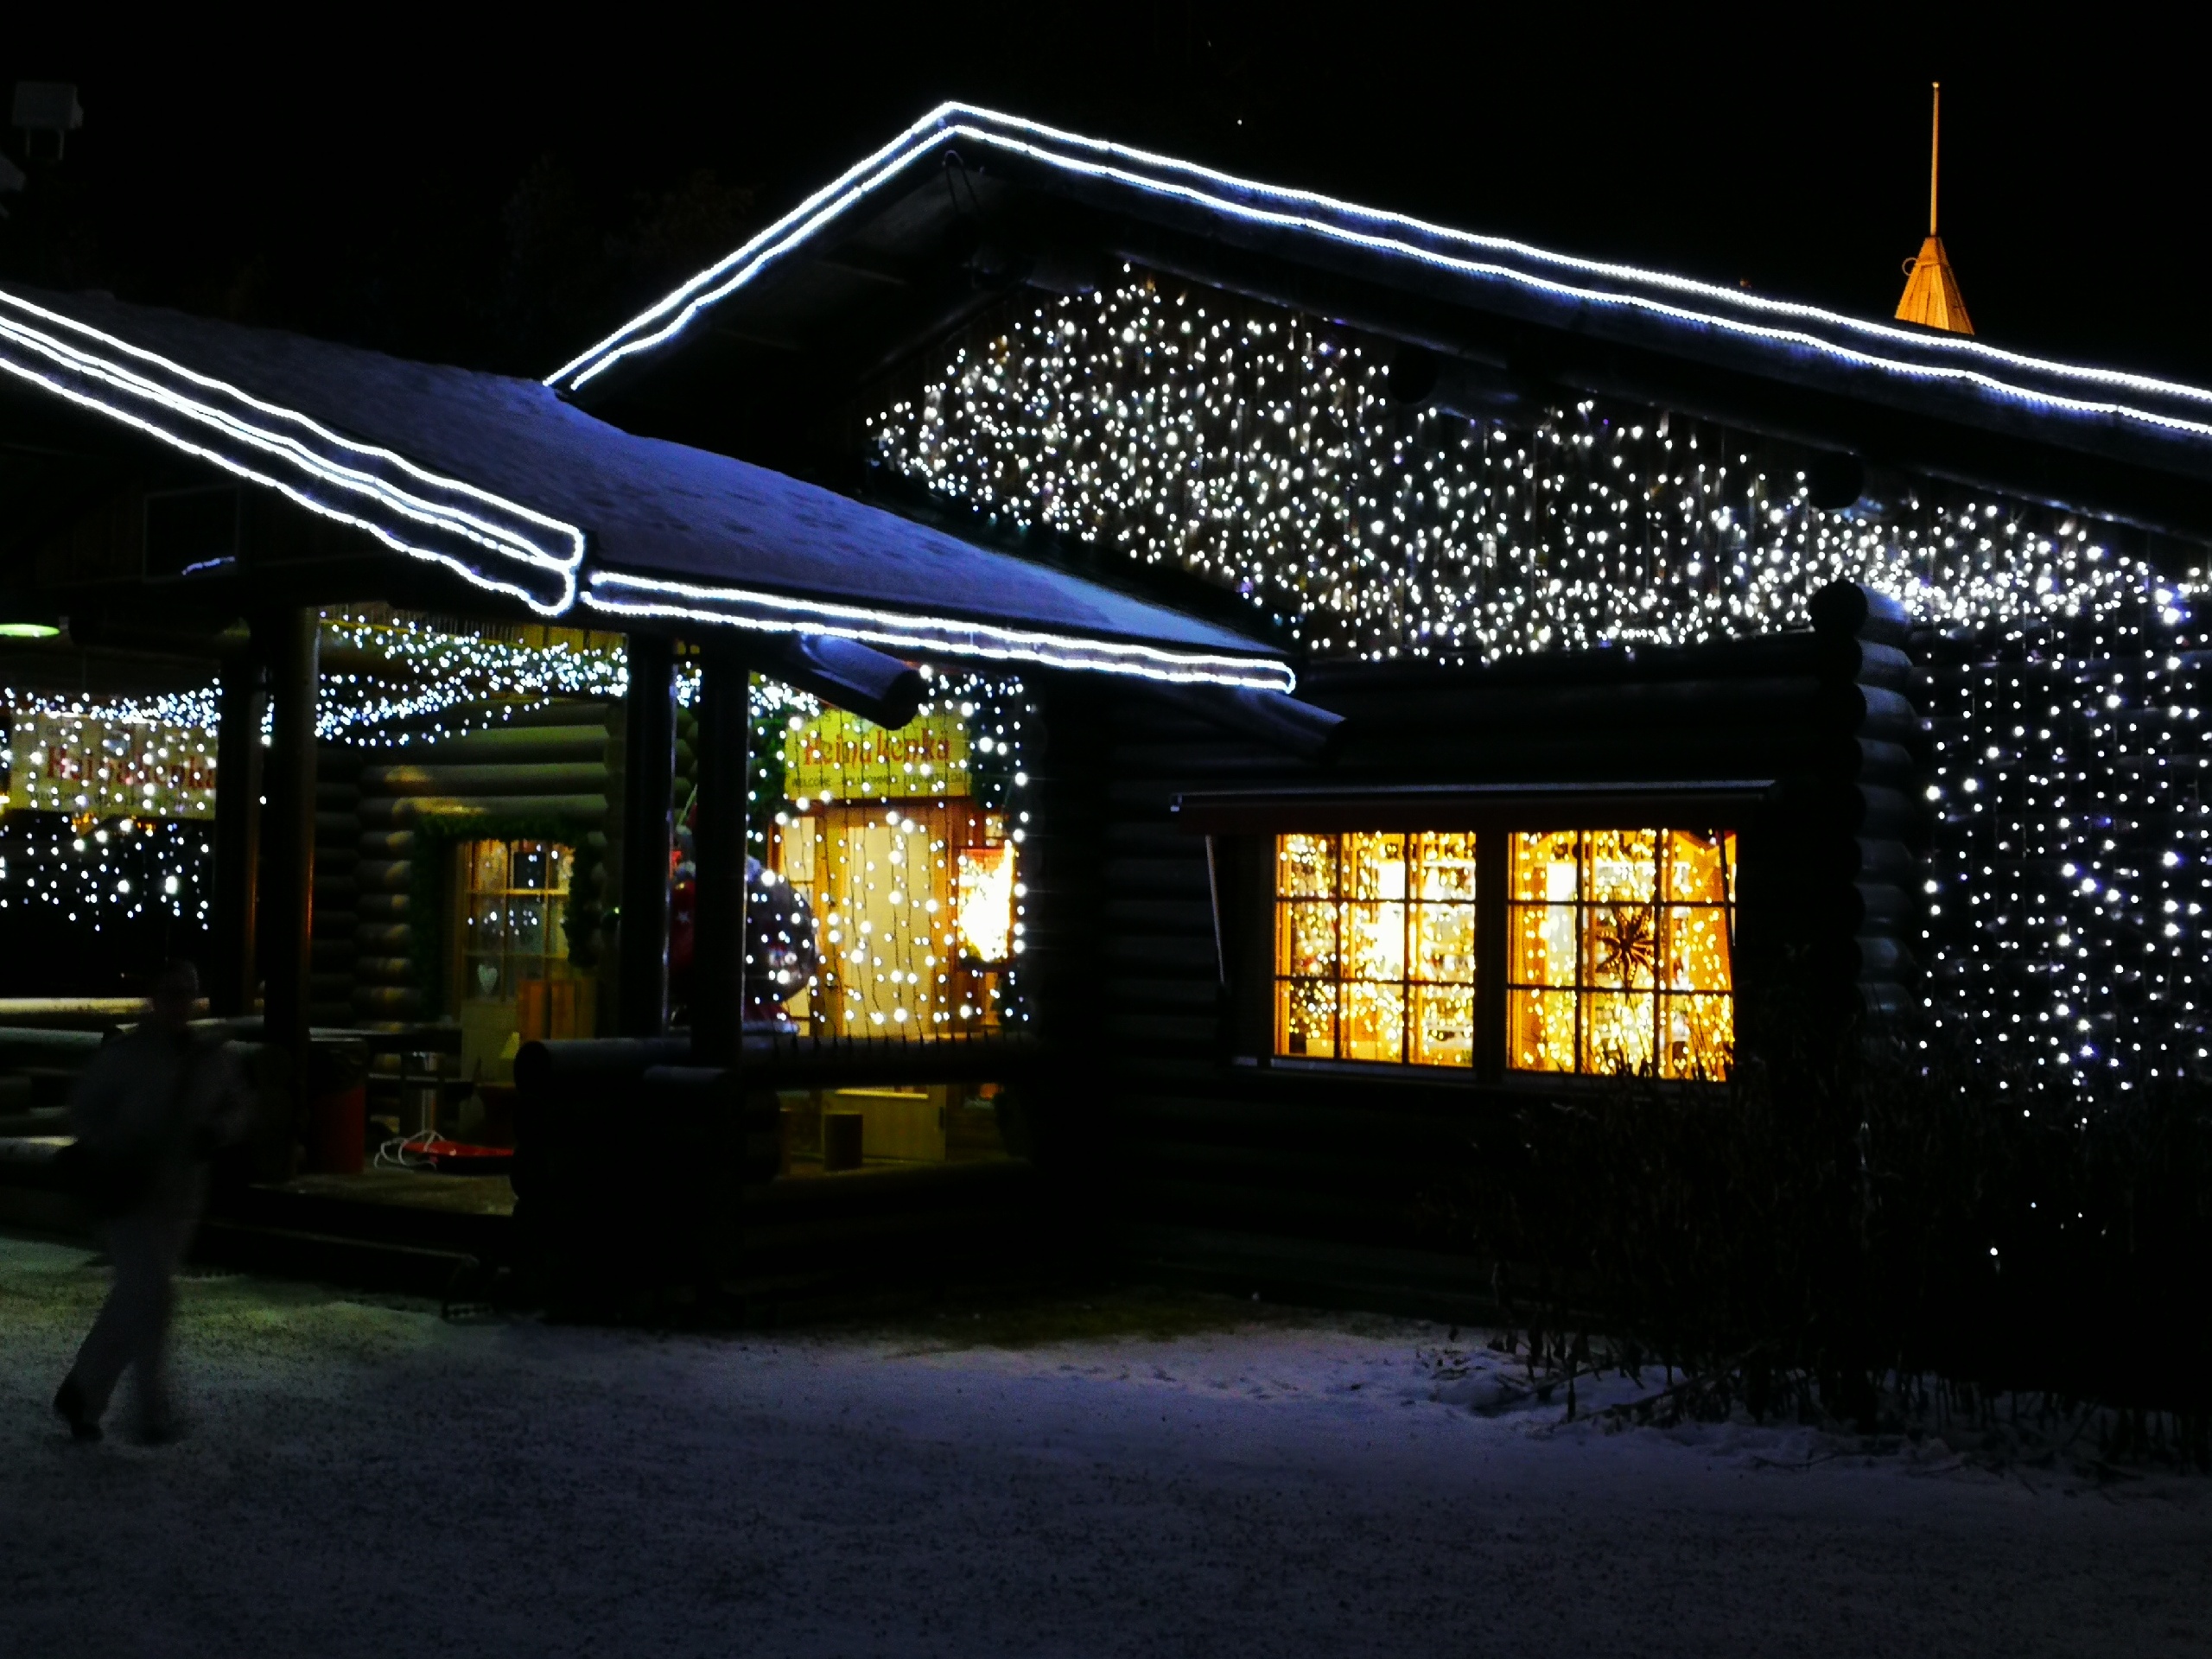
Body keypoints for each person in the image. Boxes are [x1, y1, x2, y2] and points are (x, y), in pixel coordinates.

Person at [52, 960, 252, 1445]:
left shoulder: (208, 1058)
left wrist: (217, 1133)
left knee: (138, 1298)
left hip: (177, 1198)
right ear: (154, 998)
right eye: (171, 993)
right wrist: (116, 1148)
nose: (179, 1004)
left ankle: (83, 1392)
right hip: (127, 1193)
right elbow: (84, 1111)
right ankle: (150, 1413)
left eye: (187, 994)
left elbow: (240, 1106)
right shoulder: (127, 1056)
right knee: (151, 1297)